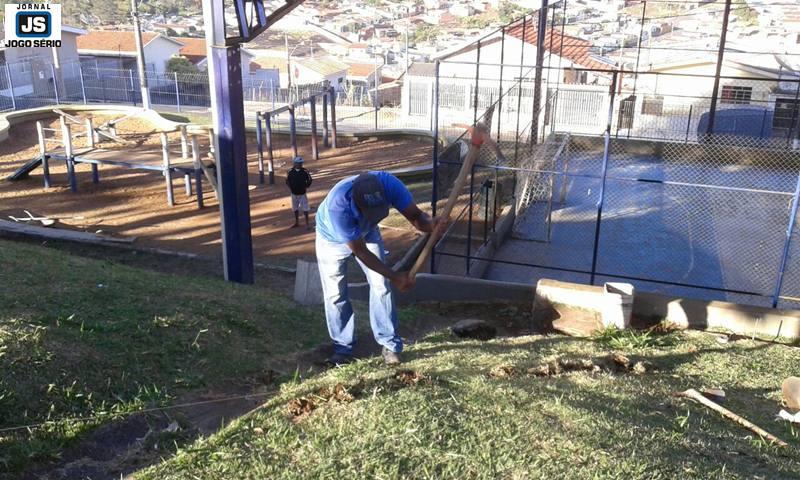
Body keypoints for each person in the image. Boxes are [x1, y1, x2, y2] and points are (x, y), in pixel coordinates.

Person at [315, 171, 448, 366]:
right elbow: (361, 253)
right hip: (331, 239)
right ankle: (343, 348)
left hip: (367, 232)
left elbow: (417, 216)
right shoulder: (339, 206)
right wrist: (396, 276)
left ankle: (390, 344)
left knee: (381, 286)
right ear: (356, 202)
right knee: (335, 293)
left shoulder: (390, 184)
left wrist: (431, 225)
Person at [286, 156, 313, 229]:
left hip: (302, 193)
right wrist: (291, 188)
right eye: (299, 163)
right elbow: (287, 181)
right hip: (294, 193)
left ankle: (307, 223)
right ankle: (296, 222)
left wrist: (306, 186)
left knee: (305, 208)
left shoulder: (305, 171)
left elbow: (310, 179)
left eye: (301, 163)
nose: (300, 164)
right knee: (295, 208)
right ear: (295, 163)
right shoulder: (290, 171)